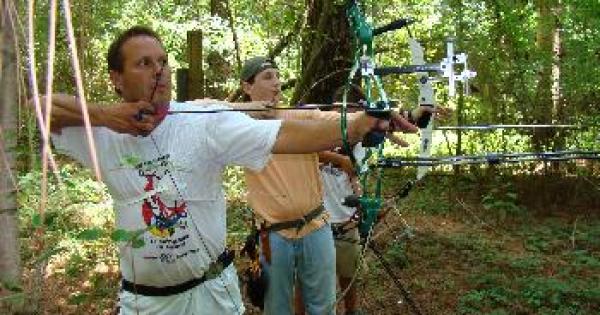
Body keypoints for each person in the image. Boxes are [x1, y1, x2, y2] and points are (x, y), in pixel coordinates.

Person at [41, 27, 414, 315]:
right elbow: (36, 105)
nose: (159, 72)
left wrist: (357, 124)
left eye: (163, 61)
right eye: (144, 64)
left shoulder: (203, 121)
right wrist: (106, 115)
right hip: (146, 302)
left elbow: (287, 132)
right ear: (117, 79)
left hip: (212, 293)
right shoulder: (101, 133)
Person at [239, 56, 419, 315]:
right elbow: (202, 112)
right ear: (247, 86)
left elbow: (342, 120)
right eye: (268, 77)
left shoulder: (301, 115)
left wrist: (399, 115)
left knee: (323, 308)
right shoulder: (237, 125)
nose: (277, 83)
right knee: (277, 308)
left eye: (278, 77)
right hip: (273, 234)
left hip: (315, 226)